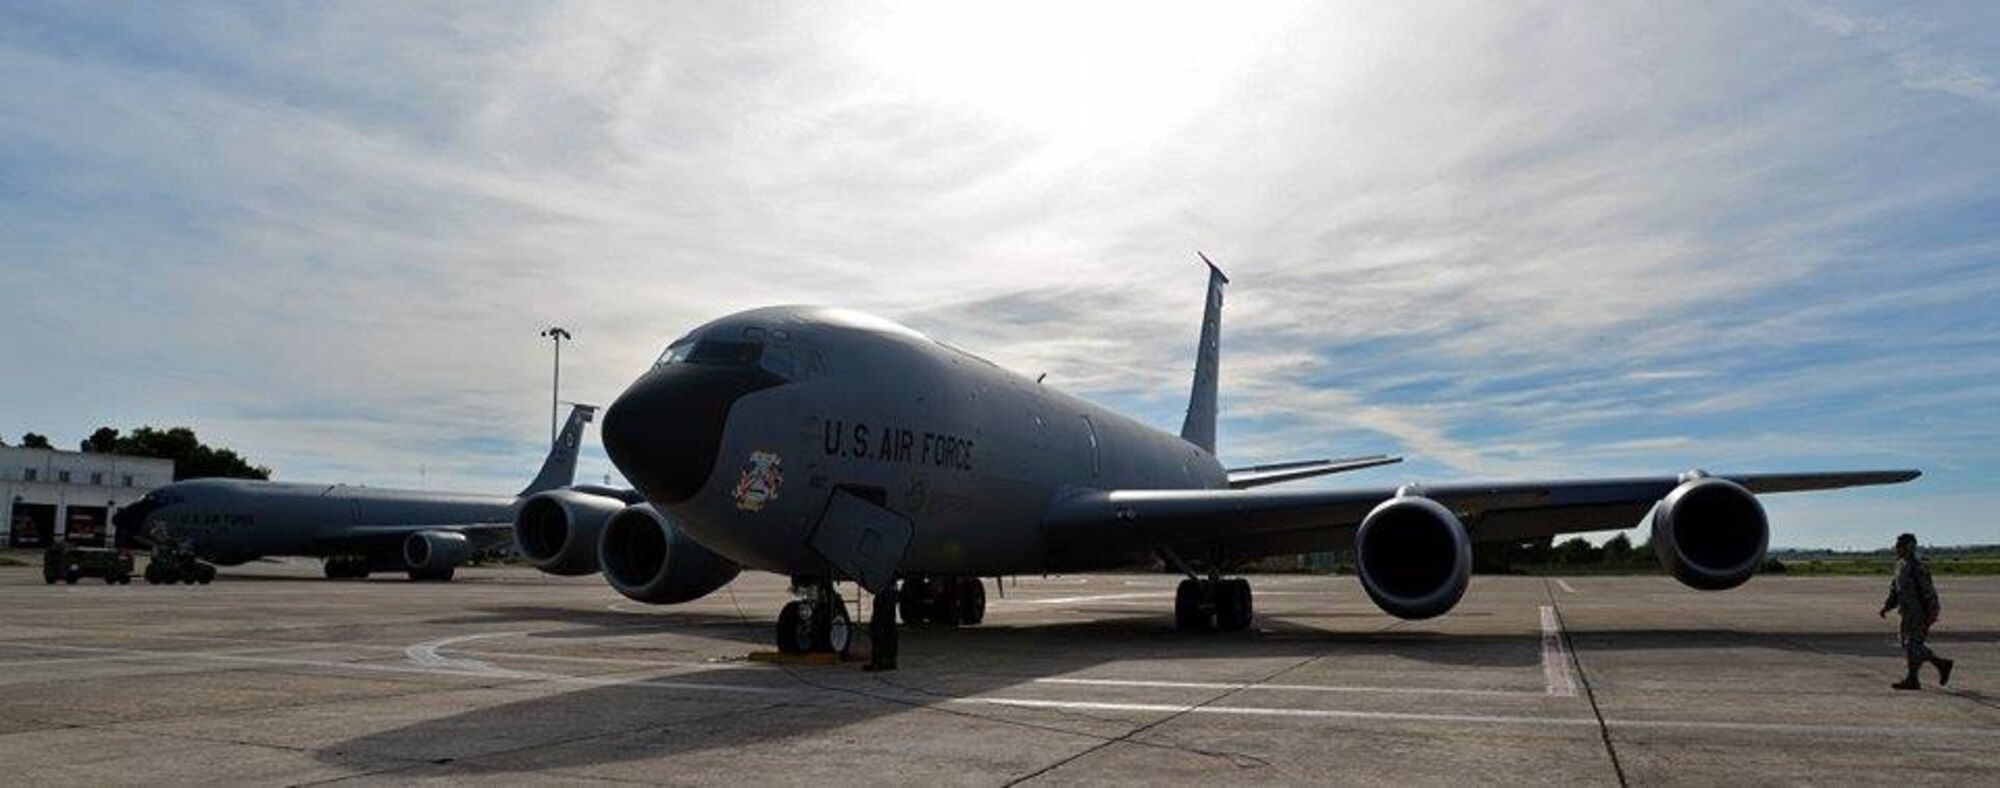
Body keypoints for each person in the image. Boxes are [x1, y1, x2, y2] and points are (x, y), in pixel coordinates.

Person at [1880, 533, 1953, 690]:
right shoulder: (1901, 565)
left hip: (1919, 612)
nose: (1897, 549)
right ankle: (1939, 665)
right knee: (1908, 644)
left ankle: (1915, 677)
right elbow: (1895, 589)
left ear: (1909, 547)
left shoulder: (1917, 566)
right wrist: (1887, 606)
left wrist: (1932, 613)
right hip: (1906, 611)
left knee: (1912, 645)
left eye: (1900, 546)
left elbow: (1928, 592)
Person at [865, 579, 900, 672]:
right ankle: (889, 660)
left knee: (879, 627)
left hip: (884, 590)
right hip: (889, 590)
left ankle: (879, 661)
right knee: (889, 626)